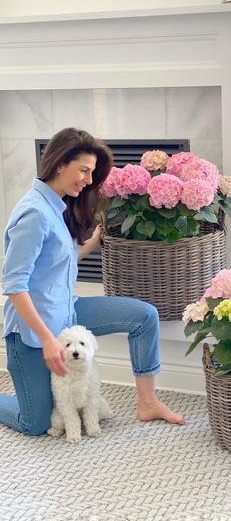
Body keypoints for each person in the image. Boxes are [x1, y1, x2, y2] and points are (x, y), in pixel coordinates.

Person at [0, 127, 184, 436]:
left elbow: (59, 261)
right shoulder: (34, 213)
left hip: (68, 313)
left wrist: (93, 241)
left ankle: (148, 402)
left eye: (91, 173)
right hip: (31, 333)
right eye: (84, 170)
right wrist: (48, 340)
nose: (88, 180)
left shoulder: (56, 206)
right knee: (35, 423)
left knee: (144, 316)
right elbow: (14, 284)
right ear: (60, 164)